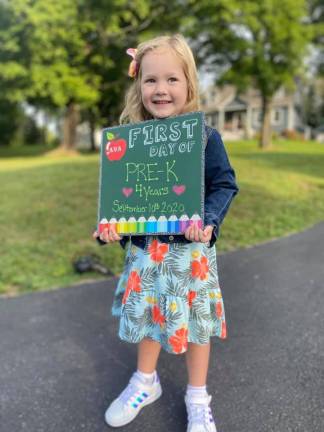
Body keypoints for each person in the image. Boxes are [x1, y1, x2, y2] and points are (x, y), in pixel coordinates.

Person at [93, 34, 239, 432]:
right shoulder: (128, 145)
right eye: (151, 80)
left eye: (172, 80)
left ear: (189, 84)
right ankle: (145, 381)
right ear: (138, 86)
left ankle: (197, 396)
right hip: (145, 255)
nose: (161, 89)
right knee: (147, 320)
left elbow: (224, 184)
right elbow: (121, 204)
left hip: (190, 256)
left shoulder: (205, 138)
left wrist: (208, 219)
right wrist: (111, 229)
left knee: (197, 326)